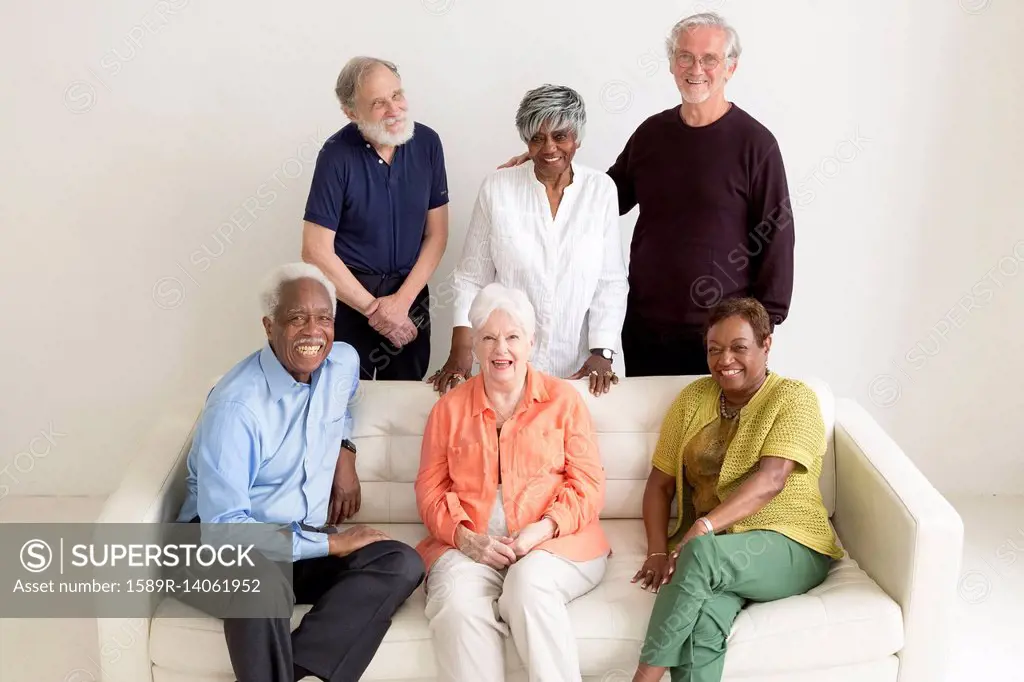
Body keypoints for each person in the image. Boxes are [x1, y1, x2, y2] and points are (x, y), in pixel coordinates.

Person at [501, 13, 794, 377]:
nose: (696, 68)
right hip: (646, 326)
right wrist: (547, 163)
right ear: (672, 64)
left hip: (724, 336)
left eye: (709, 59)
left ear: (730, 68)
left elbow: (777, 237)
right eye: (685, 56)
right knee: (652, 433)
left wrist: (765, 323)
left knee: (720, 433)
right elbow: (604, 197)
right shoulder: (652, 135)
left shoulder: (756, 145)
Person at [176, 262, 425, 682]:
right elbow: (225, 531)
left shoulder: (341, 362)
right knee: (259, 579)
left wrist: (345, 450)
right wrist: (331, 546)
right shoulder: (236, 408)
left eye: (324, 318)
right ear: (269, 326)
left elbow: (346, 402)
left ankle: (291, 672)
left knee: (399, 561)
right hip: (218, 546)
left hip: (298, 533)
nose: (314, 332)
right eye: (297, 319)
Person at [627, 297, 842, 682]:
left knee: (700, 554)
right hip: (724, 552)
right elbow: (659, 485)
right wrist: (658, 550)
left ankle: (642, 680)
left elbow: (772, 480)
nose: (725, 360)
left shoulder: (794, 398)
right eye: (714, 350)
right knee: (703, 624)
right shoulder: (694, 399)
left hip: (791, 543)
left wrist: (704, 527)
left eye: (739, 348)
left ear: (766, 344)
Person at [415, 283, 611, 682]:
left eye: (512, 337)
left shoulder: (563, 401)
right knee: (457, 606)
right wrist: (469, 539)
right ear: (474, 343)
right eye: (488, 338)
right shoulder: (448, 409)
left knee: (528, 585)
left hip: (555, 541)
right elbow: (431, 490)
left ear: (531, 343)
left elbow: (588, 483)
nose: (500, 349)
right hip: (471, 543)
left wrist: (540, 531)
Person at [429, 84, 628, 398]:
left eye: (560, 136)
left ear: (577, 137)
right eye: (537, 138)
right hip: (508, 362)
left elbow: (610, 281)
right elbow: (470, 278)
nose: (549, 148)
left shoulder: (600, 190)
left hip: (581, 367)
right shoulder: (498, 188)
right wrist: (461, 350)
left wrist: (603, 352)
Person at [302, 56, 449, 381]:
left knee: (405, 398)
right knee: (342, 397)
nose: (394, 109)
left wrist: (401, 304)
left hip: (410, 294)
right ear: (352, 113)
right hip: (350, 298)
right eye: (379, 103)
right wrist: (374, 310)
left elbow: (436, 235)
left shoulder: (428, 144)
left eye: (397, 95)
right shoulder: (335, 155)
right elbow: (315, 251)